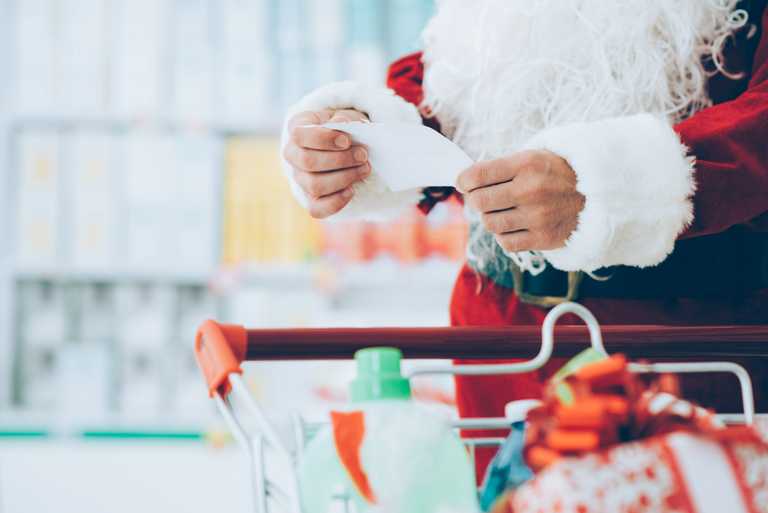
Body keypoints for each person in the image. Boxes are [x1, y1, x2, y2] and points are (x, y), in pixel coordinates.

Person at [281, 0, 768, 474]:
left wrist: (609, 184)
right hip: (494, 335)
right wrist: (364, 139)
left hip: (688, 341)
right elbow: (460, 68)